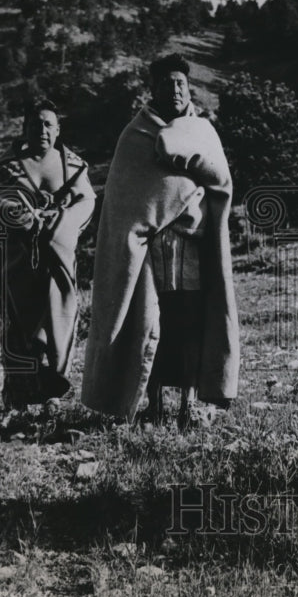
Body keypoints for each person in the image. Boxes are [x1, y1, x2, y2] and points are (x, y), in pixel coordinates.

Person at [81, 53, 239, 429]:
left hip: (193, 248)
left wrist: (191, 168)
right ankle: (150, 404)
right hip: (148, 252)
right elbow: (124, 200)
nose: (175, 90)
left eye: (181, 83)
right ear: (152, 89)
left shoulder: (202, 131)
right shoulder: (134, 136)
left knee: (190, 325)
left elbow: (221, 183)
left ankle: (186, 405)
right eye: (167, 83)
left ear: (190, 87)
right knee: (148, 324)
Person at [0, 99, 96, 410]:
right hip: (19, 263)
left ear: (58, 130)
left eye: (47, 124)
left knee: (59, 322)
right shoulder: (9, 168)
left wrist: (60, 223)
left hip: (58, 261)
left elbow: (86, 203)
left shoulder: (73, 166)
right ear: (24, 129)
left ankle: (52, 397)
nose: (41, 129)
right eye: (35, 124)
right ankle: (18, 403)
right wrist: (18, 213)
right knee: (20, 329)